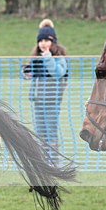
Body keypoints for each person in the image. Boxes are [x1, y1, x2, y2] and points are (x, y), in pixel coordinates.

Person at [22, 19, 69, 163]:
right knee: (40, 132)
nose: (43, 43)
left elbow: (58, 73)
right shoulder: (36, 57)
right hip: (38, 101)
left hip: (51, 101)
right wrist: (26, 73)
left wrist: (48, 57)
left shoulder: (59, 57)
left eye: (46, 40)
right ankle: (43, 159)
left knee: (51, 131)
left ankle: (54, 159)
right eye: (40, 40)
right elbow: (29, 73)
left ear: (53, 41)